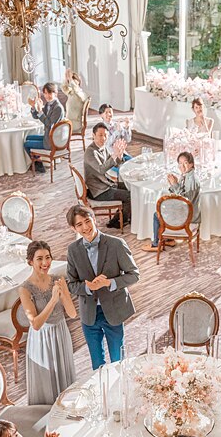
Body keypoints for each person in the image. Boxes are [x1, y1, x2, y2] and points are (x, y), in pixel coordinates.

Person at [65, 204, 139, 369]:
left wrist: (110, 283)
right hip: (89, 314)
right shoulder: (73, 250)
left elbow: (134, 274)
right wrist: (87, 287)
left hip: (113, 311)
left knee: (118, 362)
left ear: (94, 219)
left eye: (87, 221)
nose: (85, 227)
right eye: (79, 224)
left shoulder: (116, 244)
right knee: (97, 365)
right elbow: (71, 284)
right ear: (73, 228)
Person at [19, 240, 77, 406]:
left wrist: (63, 293)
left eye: (48, 257)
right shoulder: (25, 289)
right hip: (41, 340)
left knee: (64, 377)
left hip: (61, 333)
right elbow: (36, 324)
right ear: (30, 261)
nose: (45, 263)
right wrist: (53, 299)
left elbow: (72, 313)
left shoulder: (58, 280)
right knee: (46, 383)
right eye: (39, 259)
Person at [143, 150, 201, 252]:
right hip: (187, 212)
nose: (182, 166)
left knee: (157, 215)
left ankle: (156, 244)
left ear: (192, 164)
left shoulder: (191, 179)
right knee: (164, 209)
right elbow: (182, 194)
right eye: (180, 163)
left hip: (189, 218)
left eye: (185, 163)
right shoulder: (187, 175)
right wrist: (175, 183)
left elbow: (185, 201)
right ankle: (169, 240)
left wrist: (174, 184)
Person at [84, 122, 131, 227]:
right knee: (129, 196)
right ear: (93, 135)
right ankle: (119, 221)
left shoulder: (103, 147)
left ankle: (118, 218)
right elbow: (101, 169)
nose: (104, 138)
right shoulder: (90, 152)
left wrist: (120, 155)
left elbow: (115, 163)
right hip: (98, 191)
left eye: (105, 135)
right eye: (100, 135)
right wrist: (114, 154)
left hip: (106, 185)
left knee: (129, 187)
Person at [24, 82, 65, 173]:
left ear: (55, 93)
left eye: (49, 93)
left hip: (53, 141)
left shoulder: (58, 108)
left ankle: (38, 164)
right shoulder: (49, 104)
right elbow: (36, 116)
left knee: (26, 144)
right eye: (45, 93)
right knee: (28, 137)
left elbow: (48, 124)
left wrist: (40, 111)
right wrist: (33, 107)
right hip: (49, 136)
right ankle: (38, 162)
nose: (47, 96)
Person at [61, 68, 89, 135]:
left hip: (75, 124)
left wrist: (70, 79)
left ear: (78, 82)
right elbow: (64, 88)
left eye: (74, 80)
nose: (72, 82)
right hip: (69, 121)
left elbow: (76, 89)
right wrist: (66, 79)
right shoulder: (71, 93)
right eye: (71, 80)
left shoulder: (81, 94)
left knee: (54, 128)